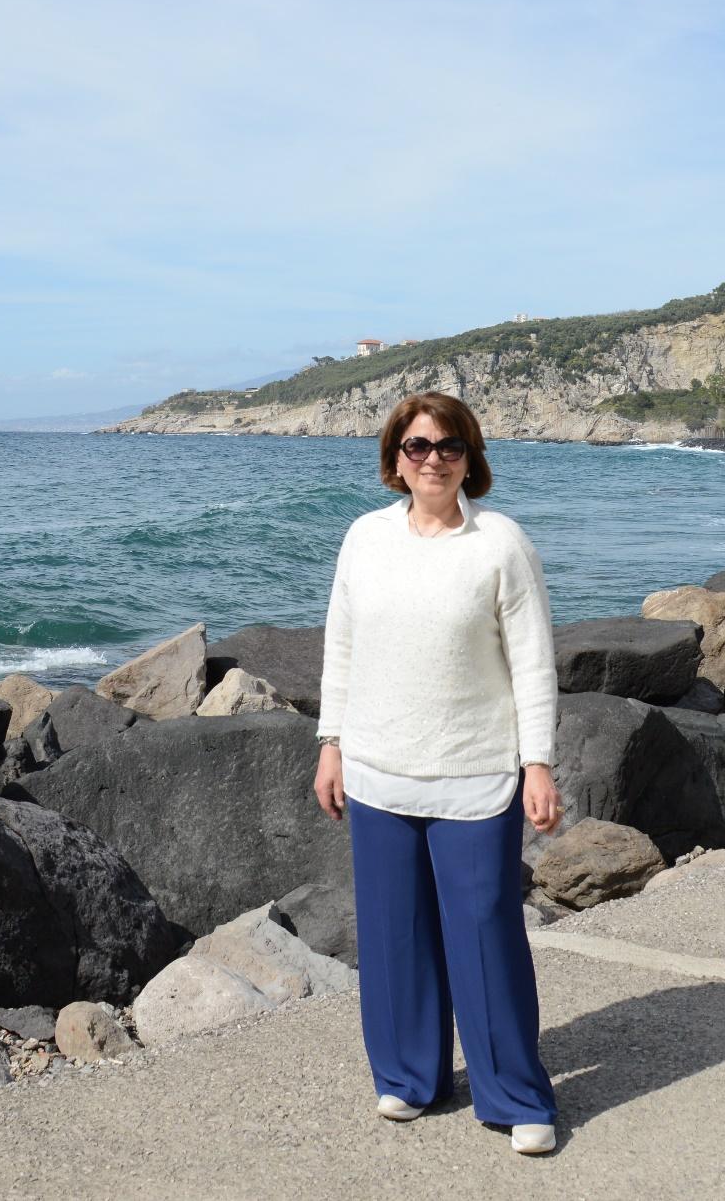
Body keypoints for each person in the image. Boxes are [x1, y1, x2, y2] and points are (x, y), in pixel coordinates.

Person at [313, 390, 563, 1157]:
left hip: (474, 774)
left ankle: (515, 1095)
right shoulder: (365, 538)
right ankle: (409, 1076)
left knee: (486, 934)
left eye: (449, 446)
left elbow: (533, 661)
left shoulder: (501, 544)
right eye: (417, 446)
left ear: (470, 458)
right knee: (393, 936)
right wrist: (331, 743)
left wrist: (537, 762)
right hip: (378, 770)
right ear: (396, 458)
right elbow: (341, 644)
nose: (433, 459)